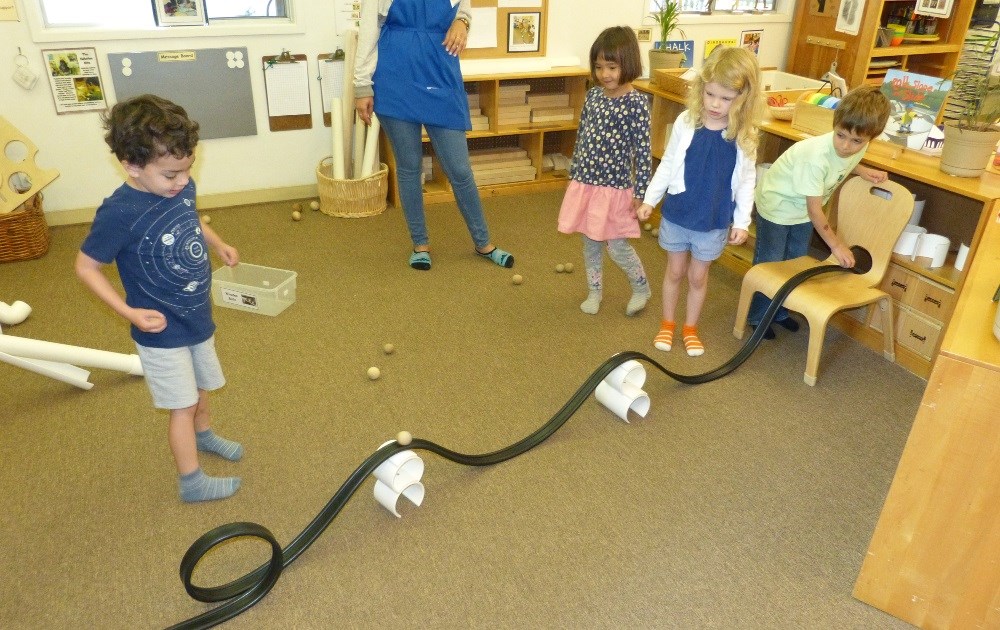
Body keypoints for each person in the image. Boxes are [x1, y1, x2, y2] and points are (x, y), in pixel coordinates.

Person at [75, 94, 243, 503]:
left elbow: (191, 217)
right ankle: (192, 482)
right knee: (181, 405)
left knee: (202, 387)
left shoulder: (180, 188)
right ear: (131, 165)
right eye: (170, 174)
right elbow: (85, 267)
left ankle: (204, 436)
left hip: (196, 317)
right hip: (160, 331)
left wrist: (217, 241)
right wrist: (128, 312)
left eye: (187, 169)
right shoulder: (119, 213)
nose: (182, 182)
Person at [354, 0, 514, 271]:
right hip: (395, 77)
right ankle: (420, 245)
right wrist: (361, 86)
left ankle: (483, 243)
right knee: (409, 167)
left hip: (440, 72)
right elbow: (369, 29)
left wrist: (462, 22)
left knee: (460, 170)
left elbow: (464, 6)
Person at [638, 46, 763, 356]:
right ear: (701, 89)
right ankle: (668, 324)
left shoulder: (744, 135)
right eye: (710, 95)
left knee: (698, 275)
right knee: (675, 272)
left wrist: (743, 221)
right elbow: (667, 164)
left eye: (725, 98)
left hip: (713, 218)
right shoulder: (687, 122)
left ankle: (690, 328)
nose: (715, 104)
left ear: (743, 99)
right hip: (679, 212)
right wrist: (649, 201)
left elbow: (748, 181)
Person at [748, 84, 891, 338]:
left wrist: (863, 170)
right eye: (840, 135)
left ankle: (779, 311)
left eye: (856, 141)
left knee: (795, 261)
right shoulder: (815, 156)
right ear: (835, 125)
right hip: (778, 207)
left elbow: (846, 161)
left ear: (870, 138)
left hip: (801, 211)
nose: (846, 146)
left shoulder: (857, 146)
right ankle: (758, 316)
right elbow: (816, 211)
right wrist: (836, 246)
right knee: (771, 263)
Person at [557, 26, 652, 316]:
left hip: (615, 188)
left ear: (629, 64)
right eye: (599, 67)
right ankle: (594, 291)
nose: (605, 74)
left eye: (612, 67)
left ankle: (641, 286)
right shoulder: (594, 96)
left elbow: (643, 152)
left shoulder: (636, 103)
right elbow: (583, 134)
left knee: (617, 246)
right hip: (586, 183)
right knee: (590, 243)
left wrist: (642, 192)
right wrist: (574, 173)